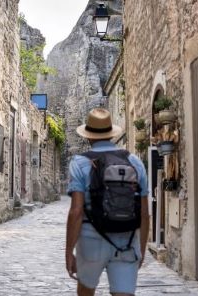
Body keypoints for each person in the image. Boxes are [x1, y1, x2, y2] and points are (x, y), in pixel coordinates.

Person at [65, 108, 149, 296]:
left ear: (88, 136)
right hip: (126, 242)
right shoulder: (135, 162)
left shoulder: (79, 163)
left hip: (90, 240)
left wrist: (69, 251)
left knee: (86, 292)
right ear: (111, 134)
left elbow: (76, 211)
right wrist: (141, 249)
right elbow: (144, 213)